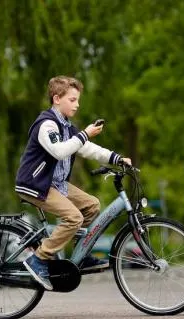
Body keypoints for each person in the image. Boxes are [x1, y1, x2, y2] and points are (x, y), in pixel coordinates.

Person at [15, 75, 132, 290]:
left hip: (55, 183)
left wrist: (116, 158)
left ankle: (81, 253)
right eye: (72, 99)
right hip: (36, 184)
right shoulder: (47, 125)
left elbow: (87, 148)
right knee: (73, 217)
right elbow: (60, 151)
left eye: (78, 100)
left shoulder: (67, 127)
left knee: (92, 205)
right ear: (56, 98)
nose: (77, 105)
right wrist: (86, 133)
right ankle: (39, 259)